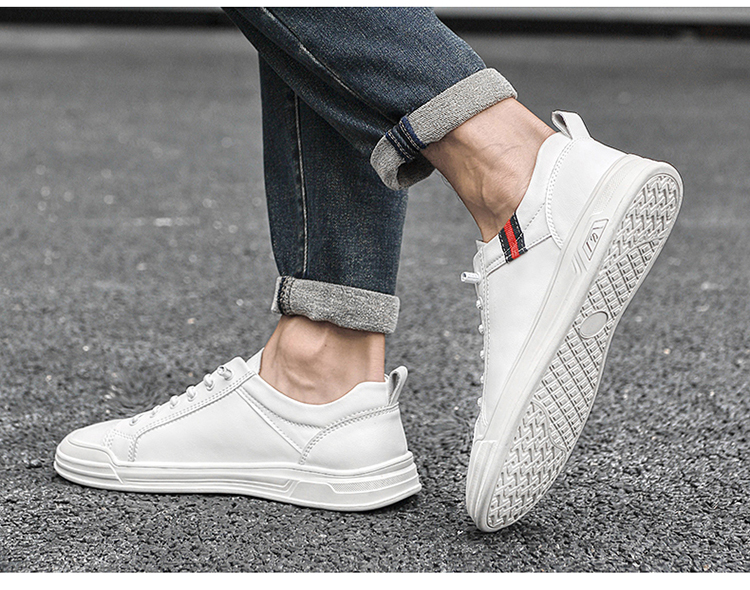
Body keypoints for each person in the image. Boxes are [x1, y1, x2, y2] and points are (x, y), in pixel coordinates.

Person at [53, 8, 682, 532]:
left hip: (525, 198)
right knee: (300, 52)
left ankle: (515, 175)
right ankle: (325, 369)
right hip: (335, 392)